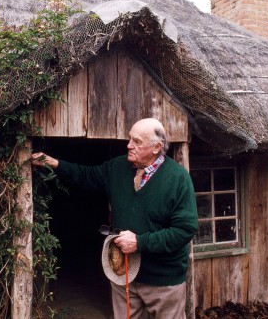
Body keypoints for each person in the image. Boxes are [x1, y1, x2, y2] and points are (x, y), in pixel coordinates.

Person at [31, 118, 199, 319]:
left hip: (163, 282)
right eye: (130, 139)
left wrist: (139, 242)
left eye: (137, 141)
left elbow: (185, 230)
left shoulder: (178, 178)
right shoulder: (118, 168)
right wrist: (53, 163)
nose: (129, 145)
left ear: (156, 147)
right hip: (123, 274)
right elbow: (86, 175)